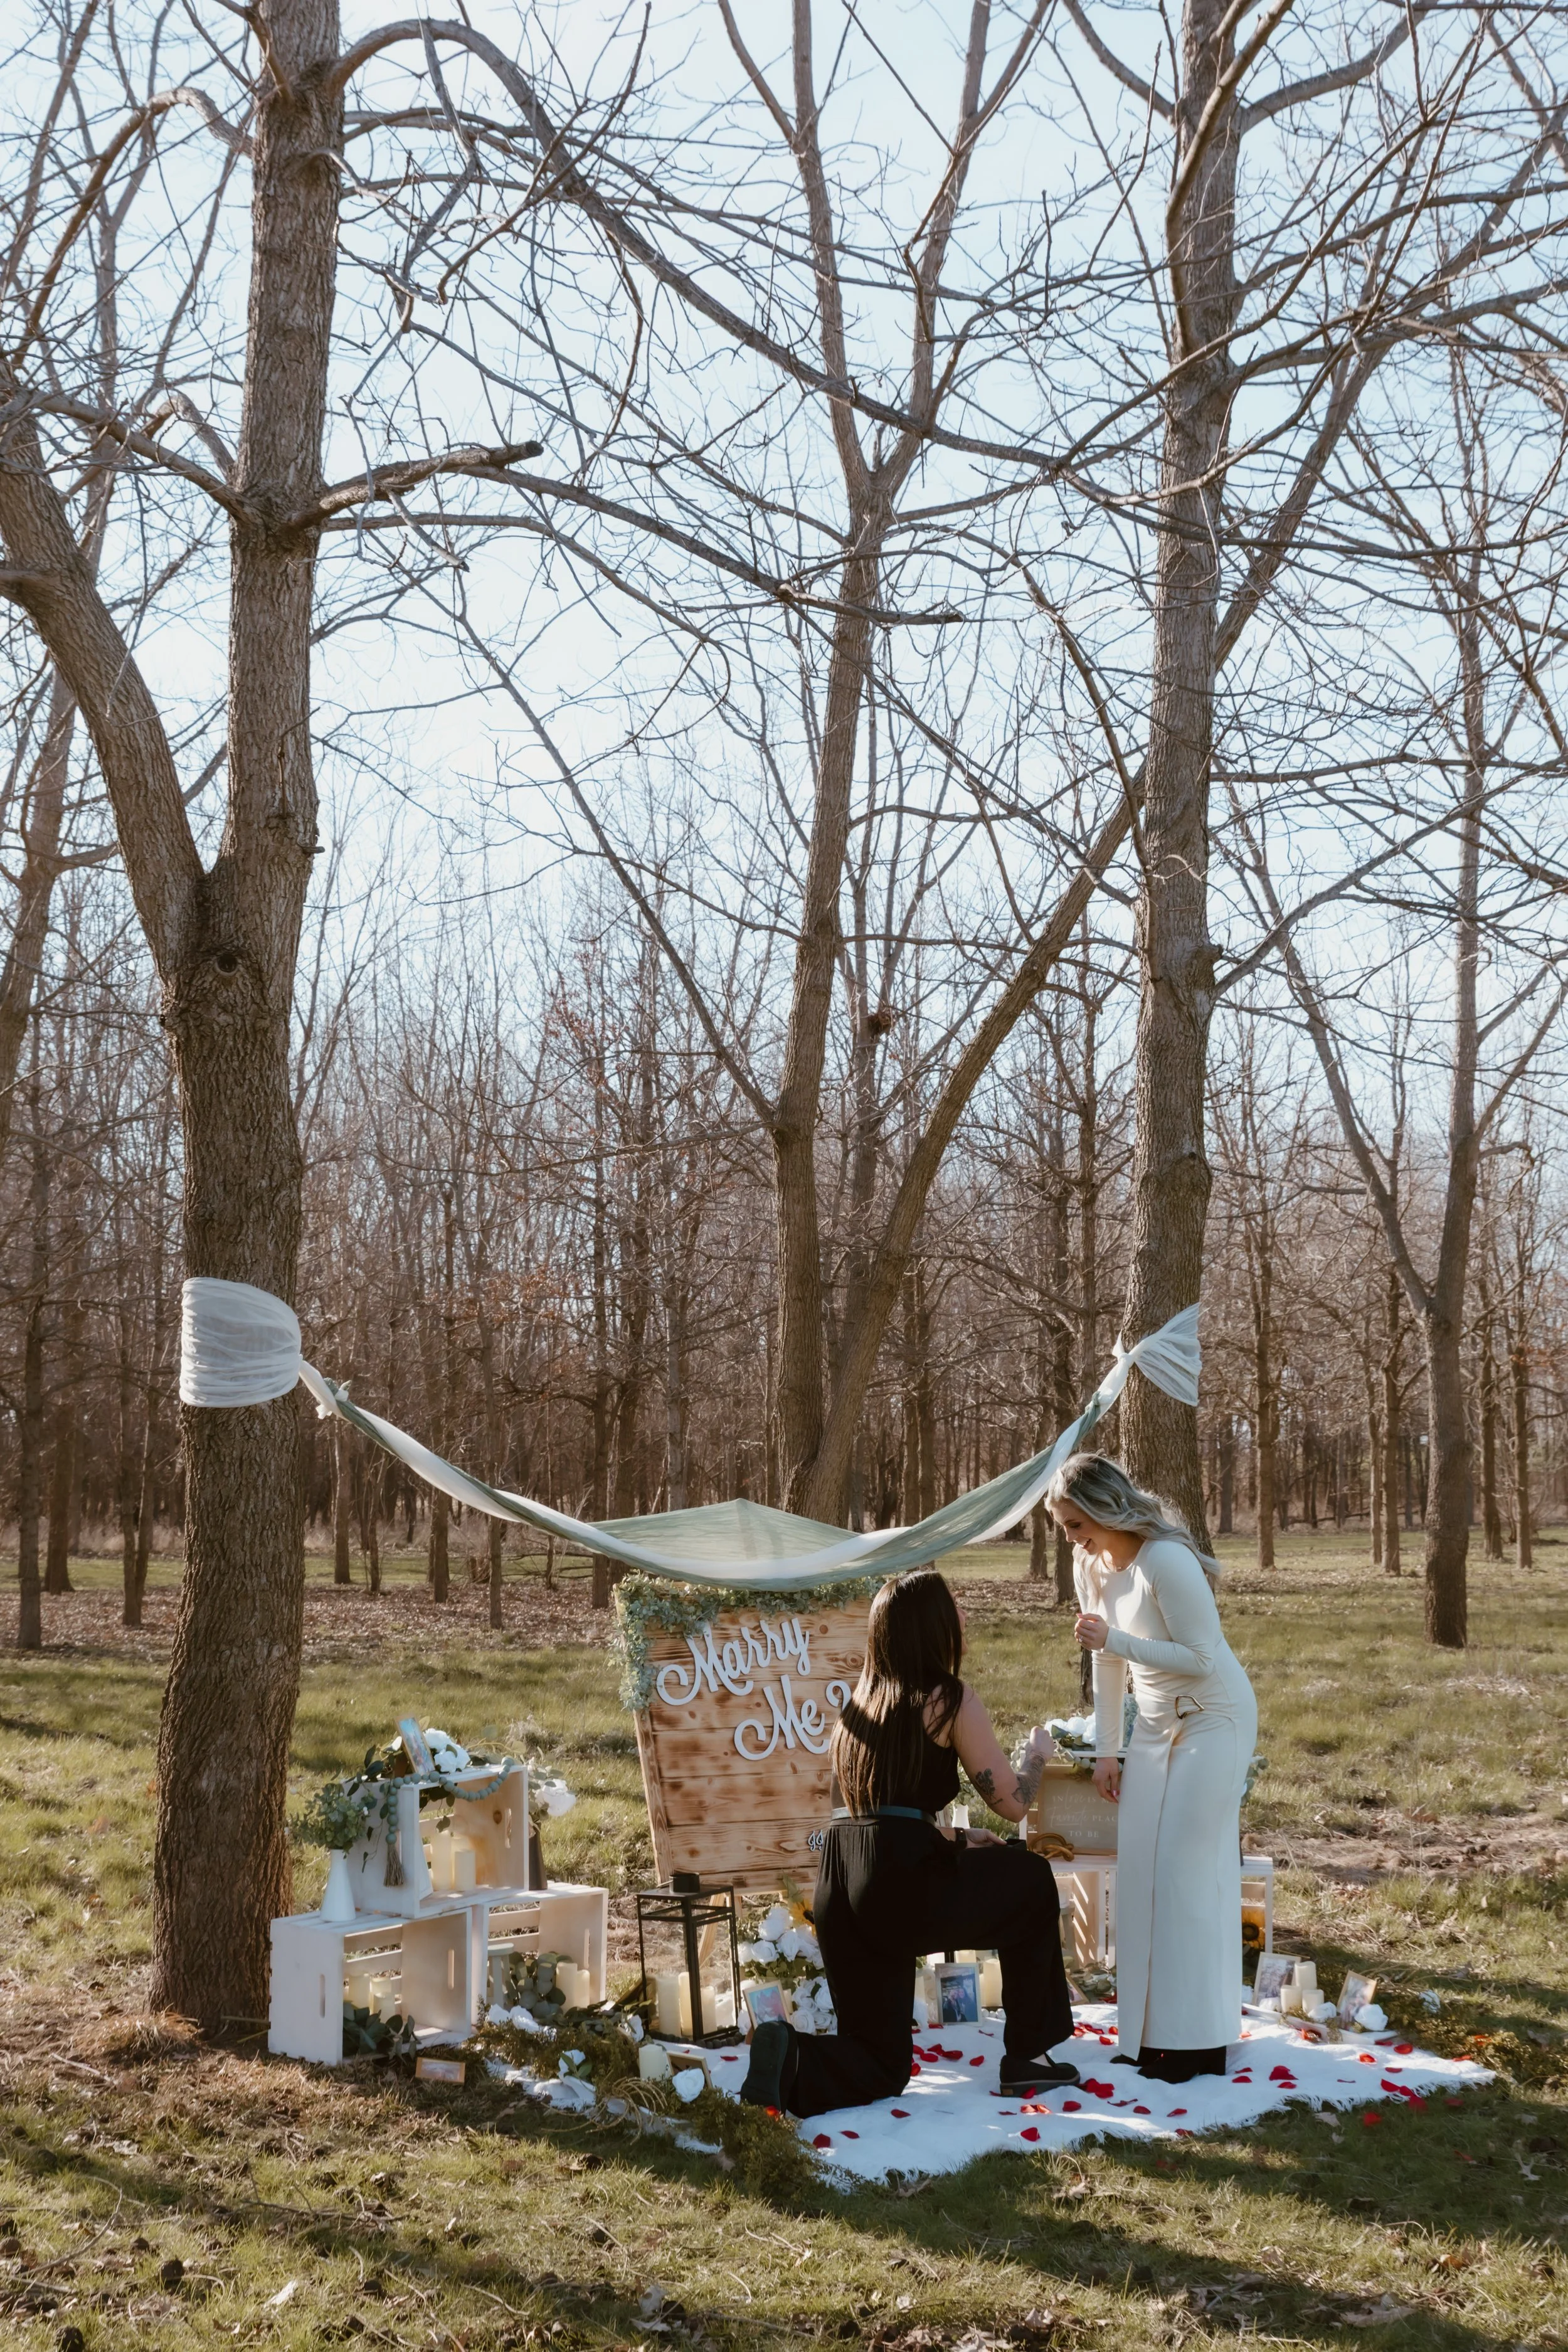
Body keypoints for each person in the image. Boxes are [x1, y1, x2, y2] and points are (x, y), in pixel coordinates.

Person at [741, 1568, 1079, 2117]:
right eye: (955, 1607)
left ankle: (791, 2058)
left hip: (842, 1879)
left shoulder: (856, 1709)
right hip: (901, 1882)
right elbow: (1014, 1804)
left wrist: (956, 1836)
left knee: (881, 2062)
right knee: (1032, 1880)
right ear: (932, 1625)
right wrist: (1037, 1755)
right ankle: (1028, 2058)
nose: (964, 1617)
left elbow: (877, 1815)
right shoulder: (948, 1699)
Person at [1048, 1451, 1258, 2084]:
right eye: (1064, 1529)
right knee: (1139, 1872)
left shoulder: (1166, 1560)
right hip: (1155, 1725)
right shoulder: (1092, 1567)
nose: (1071, 1540)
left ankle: (1196, 2042)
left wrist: (1114, 1641)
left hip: (1212, 1720)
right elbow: (1106, 1664)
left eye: (1076, 1525)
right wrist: (1108, 1750)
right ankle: (1145, 2036)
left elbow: (1198, 1655)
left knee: (1185, 1875)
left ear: (1106, 1509)